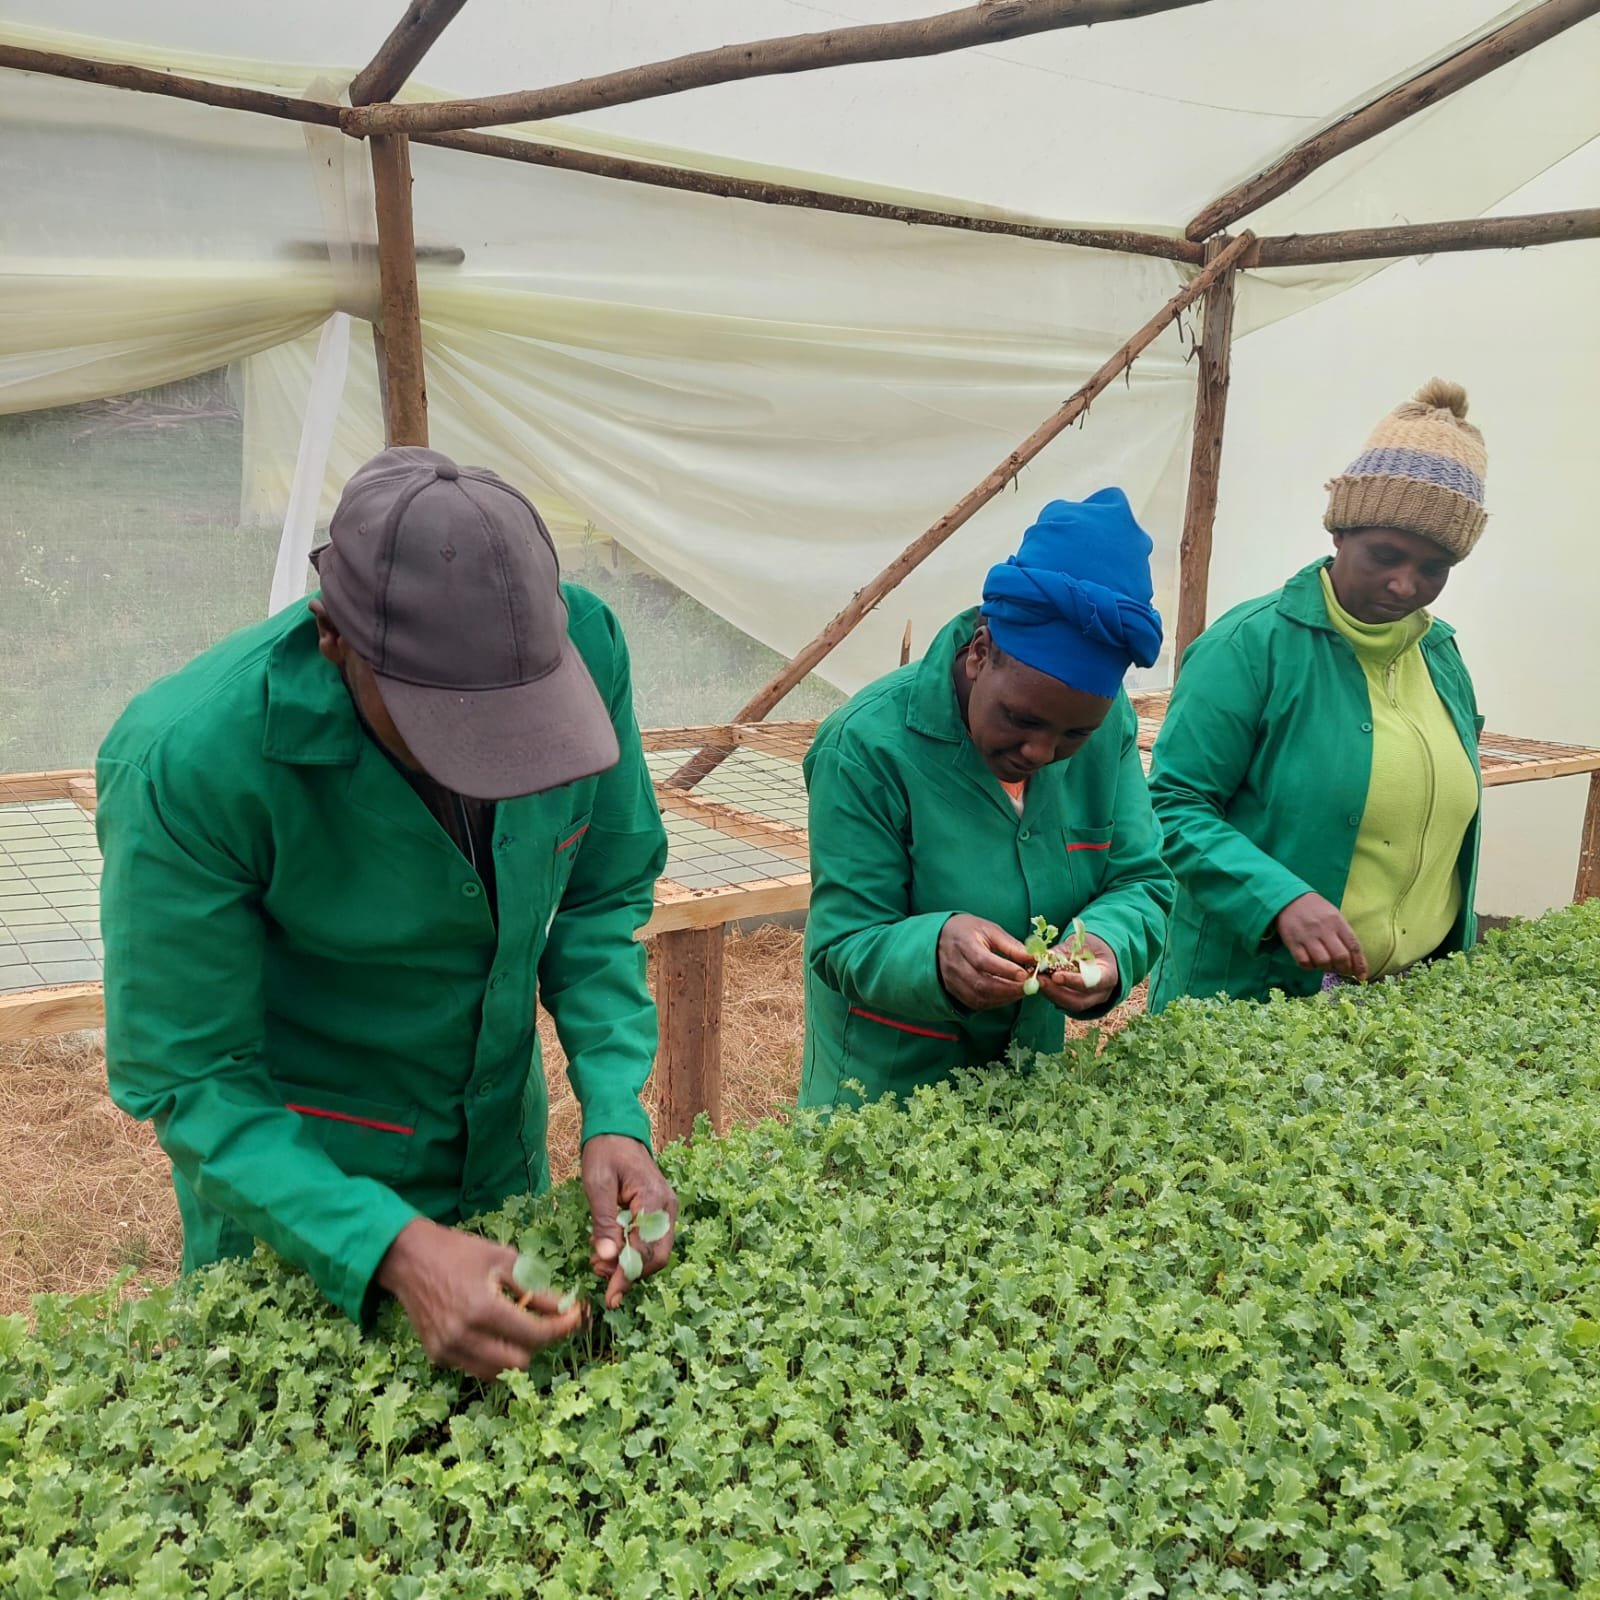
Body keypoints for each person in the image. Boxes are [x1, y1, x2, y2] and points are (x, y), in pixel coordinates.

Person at [97, 447, 676, 1380]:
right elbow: (191, 1075)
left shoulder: (589, 652)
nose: (496, 752)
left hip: (499, 1167)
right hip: (301, 1207)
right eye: (447, 720)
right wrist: (391, 1248)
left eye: (519, 714)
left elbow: (600, 894)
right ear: (333, 638)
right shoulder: (191, 762)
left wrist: (614, 1109)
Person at [799, 488, 1175, 1109]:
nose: (1040, 752)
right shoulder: (866, 746)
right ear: (979, 653)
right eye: (1021, 719)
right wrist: (935, 949)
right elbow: (843, 941)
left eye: (1072, 734)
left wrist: (1105, 947)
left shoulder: (1109, 730)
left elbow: (1141, 880)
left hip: (1030, 1088)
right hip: (881, 1097)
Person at [1146, 379, 1487, 1009]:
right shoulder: (1252, 646)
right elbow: (1171, 805)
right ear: (1340, 533)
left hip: (1405, 1001)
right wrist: (1279, 898)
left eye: (1434, 568)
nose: (1406, 584)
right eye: (1385, 554)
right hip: (1253, 994)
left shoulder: (1441, 658)